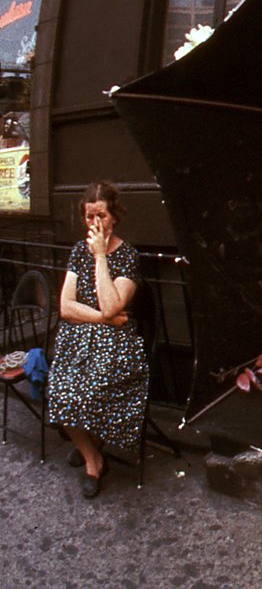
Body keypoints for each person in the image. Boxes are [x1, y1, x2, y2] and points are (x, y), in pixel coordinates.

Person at [48, 181, 148, 499]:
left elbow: (111, 304)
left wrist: (101, 257)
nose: (95, 223)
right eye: (90, 216)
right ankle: (93, 455)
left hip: (116, 344)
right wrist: (104, 318)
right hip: (77, 342)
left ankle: (92, 450)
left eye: (101, 215)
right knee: (60, 391)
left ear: (114, 216)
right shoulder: (79, 252)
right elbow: (66, 307)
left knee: (88, 390)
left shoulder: (127, 255)